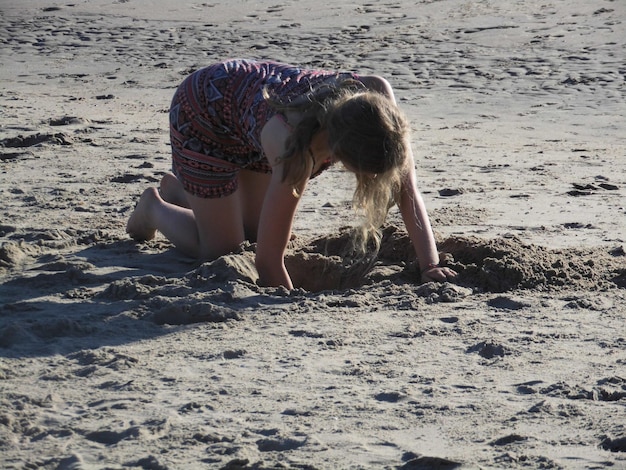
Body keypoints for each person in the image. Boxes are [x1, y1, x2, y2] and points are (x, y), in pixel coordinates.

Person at [127, 59, 457, 289]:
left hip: (248, 116)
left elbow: (407, 191)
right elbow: (268, 264)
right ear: (339, 155)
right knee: (222, 249)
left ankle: (185, 193)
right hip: (203, 114)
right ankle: (154, 207)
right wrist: (289, 305)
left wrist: (429, 265)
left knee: (254, 233)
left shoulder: (376, 97)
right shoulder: (294, 151)